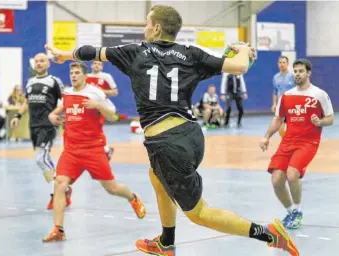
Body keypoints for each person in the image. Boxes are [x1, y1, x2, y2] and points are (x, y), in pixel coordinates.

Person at [45, 5, 299, 256]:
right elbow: (240, 66)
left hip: (167, 144)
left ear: (156, 28)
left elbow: (90, 52)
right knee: (156, 177)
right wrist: (244, 49)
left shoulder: (134, 52)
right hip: (190, 134)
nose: (144, 28)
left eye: (146, 24)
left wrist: (63, 55)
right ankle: (166, 242)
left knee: (199, 213)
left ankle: (269, 234)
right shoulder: (191, 53)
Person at [42, 62, 146, 243]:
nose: (73, 76)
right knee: (59, 184)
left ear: (84, 75)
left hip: (93, 150)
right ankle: (58, 230)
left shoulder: (95, 93)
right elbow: (58, 111)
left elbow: (112, 116)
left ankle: (132, 197)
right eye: (71, 73)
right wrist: (53, 115)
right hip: (71, 151)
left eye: (76, 73)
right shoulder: (67, 92)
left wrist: (98, 105)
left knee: (111, 188)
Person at [260, 59, 334, 229]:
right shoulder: (286, 96)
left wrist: (320, 122)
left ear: (308, 73)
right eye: (296, 71)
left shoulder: (319, 94)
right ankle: (291, 211)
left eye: (301, 71)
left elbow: (330, 118)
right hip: (288, 141)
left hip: (308, 142)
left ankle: (299, 211)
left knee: (292, 174)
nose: (298, 74)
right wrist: (266, 137)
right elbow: (278, 119)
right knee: (277, 179)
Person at [10, 53, 72, 210]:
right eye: (36, 61)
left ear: (48, 64)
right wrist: (17, 115)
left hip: (48, 125)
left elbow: (65, 101)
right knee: (42, 158)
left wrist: (56, 114)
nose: (38, 63)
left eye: (42, 61)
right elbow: (26, 102)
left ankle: (58, 192)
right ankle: (64, 189)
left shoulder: (54, 81)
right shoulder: (30, 82)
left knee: (40, 158)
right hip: (34, 126)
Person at [86, 60, 118, 160]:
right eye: (95, 63)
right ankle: (105, 150)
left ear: (102, 67)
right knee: (89, 129)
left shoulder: (106, 76)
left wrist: (100, 91)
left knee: (96, 128)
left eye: (99, 64)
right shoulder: (85, 76)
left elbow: (115, 92)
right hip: (88, 106)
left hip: (100, 106)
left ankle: (103, 150)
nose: (97, 65)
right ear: (91, 65)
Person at [271, 56, 295, 136]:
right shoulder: (276, 77)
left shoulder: (293, 76)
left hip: (292, 105)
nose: (282, 64)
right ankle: (284, 142)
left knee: (292, 126)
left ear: (287, 64)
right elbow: (275, 92)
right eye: (280, 62)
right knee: (280, 126)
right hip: (281, 105)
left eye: (283, 62)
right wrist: (274, 104)